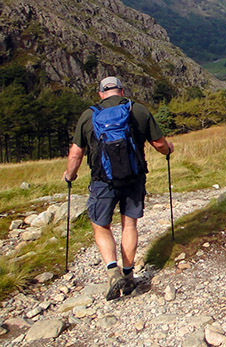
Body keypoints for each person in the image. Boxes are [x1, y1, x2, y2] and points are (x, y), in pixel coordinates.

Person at [63, 75, 174, 300]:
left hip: (102, 180)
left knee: (100, 225)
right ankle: (128, 274)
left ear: (101, 94)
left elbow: (76, 153)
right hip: (133, 178)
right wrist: (169, 149)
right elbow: (159, 144)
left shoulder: (89, 116)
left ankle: (112, 270)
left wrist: (69, 175)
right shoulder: (138, 110)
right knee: (129, 224)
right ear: (121, 91)